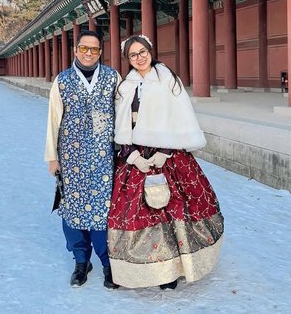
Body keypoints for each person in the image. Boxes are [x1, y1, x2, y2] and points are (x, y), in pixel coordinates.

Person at [108, 35, 224, 290]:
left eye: (143, 52)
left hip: (168, 154)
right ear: (128, 59)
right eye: (133, 55)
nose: (140, 58)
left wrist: (164, 151)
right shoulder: (126, 86)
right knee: (138, 213)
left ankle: (174, 269)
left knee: (174, 210)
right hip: (136, 155)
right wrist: (132, 156)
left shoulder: (167, 80)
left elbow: (179, 118)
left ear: (151, 50)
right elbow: (121, 123)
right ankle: (150, 269)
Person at [45, 30, 120, 289]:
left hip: (104, 156)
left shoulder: (112, 77)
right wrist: (51, 157)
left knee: (103, 209)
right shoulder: (63, 80)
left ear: (100, 52)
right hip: (71, 155)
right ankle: (80, 261)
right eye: (84, 48)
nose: (89, 53)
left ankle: (109, 263)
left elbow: (122, 115)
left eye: (94, 49)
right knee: (74, 210)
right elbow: (53, 120)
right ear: (75, 50)